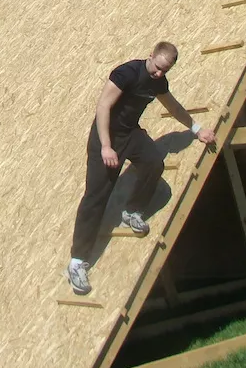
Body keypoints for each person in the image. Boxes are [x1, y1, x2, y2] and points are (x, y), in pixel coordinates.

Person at [67, 42, 216, 296]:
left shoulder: (158, 82)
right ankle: (77, 262)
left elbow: (173, 107)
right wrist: (106, 147)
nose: (159, 73)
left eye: (165, 70)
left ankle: (132, 211)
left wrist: (197, 129)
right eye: (157, 67)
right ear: (151, 55)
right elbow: (103, 107)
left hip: (130, 134)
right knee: (96, 197)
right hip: (106, 136)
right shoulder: (126, 73)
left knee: (154, 162)